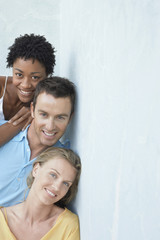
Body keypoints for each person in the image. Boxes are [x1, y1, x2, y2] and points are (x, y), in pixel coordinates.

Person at [0, 76, 76, 207]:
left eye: (60, 117)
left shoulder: (62, 163)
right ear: (32, 110)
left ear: (70, 118)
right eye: (44, 114)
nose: (50, 126)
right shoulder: (4, 132)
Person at [0, 147, 81, 240]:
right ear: (36, 170)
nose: (57, 187)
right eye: (53, 175)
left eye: (66, 183)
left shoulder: (68, 225)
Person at [0, 33, 56, 146]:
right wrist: (19, 123)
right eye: (19, 75)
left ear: (47, 75)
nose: (25, 85)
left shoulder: (45, 100)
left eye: (35, 77)